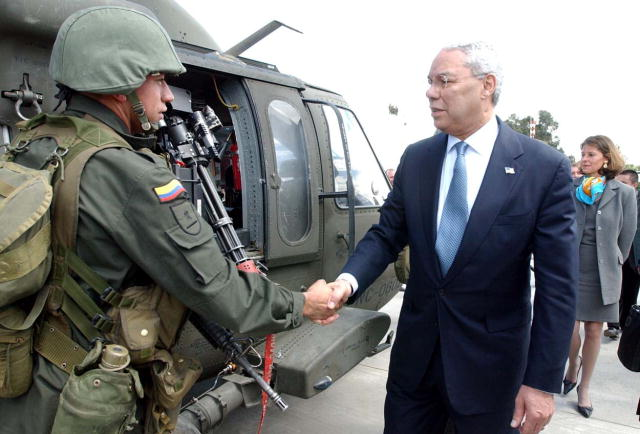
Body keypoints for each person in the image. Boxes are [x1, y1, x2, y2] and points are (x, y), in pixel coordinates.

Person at [0, 6, 338, 433]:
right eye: (158, 79)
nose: (166, 97)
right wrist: (302, 304)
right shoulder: (129, 174)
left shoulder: (38, 141)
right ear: (118, 81)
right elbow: (221, 291)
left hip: (23, 370)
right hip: (78, 398)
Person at [327, 42, 577, 434]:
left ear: (486, 86)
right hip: (416, 366)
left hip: (491, 376)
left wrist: (542, 382)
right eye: (429, 82)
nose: (431, 92)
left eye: (444, 81)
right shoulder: (418, 158)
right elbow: (386, 234)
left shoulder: (543, 168)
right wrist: (347, 282)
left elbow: (558, 286)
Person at [562, 138, 637, 418]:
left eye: (590, 154)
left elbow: (626, 235)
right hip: (573, 264)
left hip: (604, 269)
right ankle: (572, 365)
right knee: (569, 327)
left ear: (606, 158)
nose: (584, 159)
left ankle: (585, 388)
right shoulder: (573, 188)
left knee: (594, 330)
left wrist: (615, 260)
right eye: (582, 154)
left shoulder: (624, 193)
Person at [603, 169, 640, 340]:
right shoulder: (611, 198)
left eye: (624, 183)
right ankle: (613, 325)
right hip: (614, 251)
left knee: (630, 292)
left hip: (634, 255)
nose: (619, 186)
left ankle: (626, 324)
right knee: (613, 289)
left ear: (634, 185)